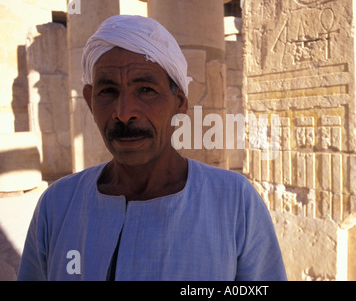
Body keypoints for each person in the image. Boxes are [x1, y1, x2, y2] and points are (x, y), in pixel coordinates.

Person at [17, 15, 286, 281]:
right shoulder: (57, 205)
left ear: (179, 102)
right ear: (90, 101)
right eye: (108, 92)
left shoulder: (235, 201)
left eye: (145, 90)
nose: (124, 113)